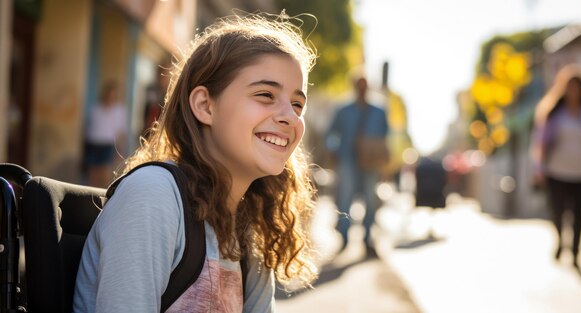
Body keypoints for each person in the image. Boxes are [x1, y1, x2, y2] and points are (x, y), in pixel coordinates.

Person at [74, 12, 318, 312]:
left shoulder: (248, 225)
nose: (290, 117)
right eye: (266, 94)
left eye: (297, 104)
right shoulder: (153, 196)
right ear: (205, 105)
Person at [531, 64, 581, 269]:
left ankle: (575, 252)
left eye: (577, 87)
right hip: (556, 170)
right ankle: (560, 241)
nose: (573, 91)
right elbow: (540, 144)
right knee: (557, 211)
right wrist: (539, 169)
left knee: (579, 213)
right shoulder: (553, 114)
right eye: (570, 87)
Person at [325, 76, 389, 258]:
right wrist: (333, 150)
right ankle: (343, 237)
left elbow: (385, 137)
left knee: (371, 200)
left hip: (370, 162)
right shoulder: (344, 110)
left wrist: (384, 164)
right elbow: (331, 133)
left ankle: (367, 238)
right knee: (344, 199)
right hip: (347, 159)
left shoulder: (379, 111)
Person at [84, 81, 127, 188]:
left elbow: (120, 132)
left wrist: (119, 150)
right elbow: (89, 127)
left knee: (105, 174)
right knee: (93, 175)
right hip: (93, 143)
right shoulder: (95, 109)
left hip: (108, 145)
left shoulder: (119, 111)